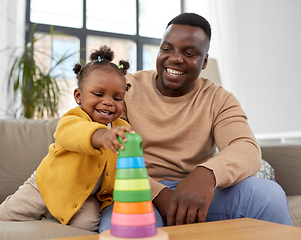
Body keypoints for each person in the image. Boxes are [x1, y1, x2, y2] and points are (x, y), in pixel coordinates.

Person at [98, 12, 292, 232]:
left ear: (204, 61)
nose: (175, 58)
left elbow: (246, 147)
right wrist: (158, 193)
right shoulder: (125, 88)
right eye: (167, 49)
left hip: (195, 195)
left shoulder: (218, 98)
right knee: (130, 229)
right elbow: (106, 152)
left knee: (268, 195)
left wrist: (208, 174)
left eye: (189, 53)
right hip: (133, 190)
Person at [0, 45, 134, 232]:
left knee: (87, 226)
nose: (108, 102)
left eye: (117, 98)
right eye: (98, 94)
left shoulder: (122, 128)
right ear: (78, 96)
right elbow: (77, 133)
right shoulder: (72, 119)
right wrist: (103, 136)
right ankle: (48, 210)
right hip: (47, 186)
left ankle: (56, 214)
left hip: (85, 196)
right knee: (4, 215)